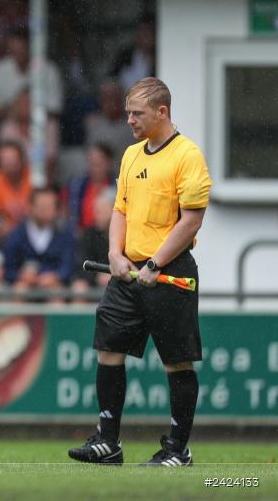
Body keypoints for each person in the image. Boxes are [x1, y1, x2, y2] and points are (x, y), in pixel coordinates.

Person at [68, 77, 211, 467]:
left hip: (169, 273)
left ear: (162, 112)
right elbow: (121, 209)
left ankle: (177, 449)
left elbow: (190, 221)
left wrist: (155, 263)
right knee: (109, 350)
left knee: (176, 362)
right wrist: (115, 253)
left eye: (137, 113)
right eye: (128, 112)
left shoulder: (187, 155)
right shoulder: (131, 155)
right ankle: (107, 441)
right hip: (128, 273)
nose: (128, 119)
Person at [2, 187, 75, 303]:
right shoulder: (16, 235)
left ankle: (57, 321)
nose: (45, 210)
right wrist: (21, 276)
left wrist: (55, 276)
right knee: (19, 290)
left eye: (49, 206)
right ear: (30, 207)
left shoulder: (64, 234)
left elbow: (68, 265)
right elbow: (8, 268)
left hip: (53, 285)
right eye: (41, 206)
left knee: (57, 292)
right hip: (24, 285)